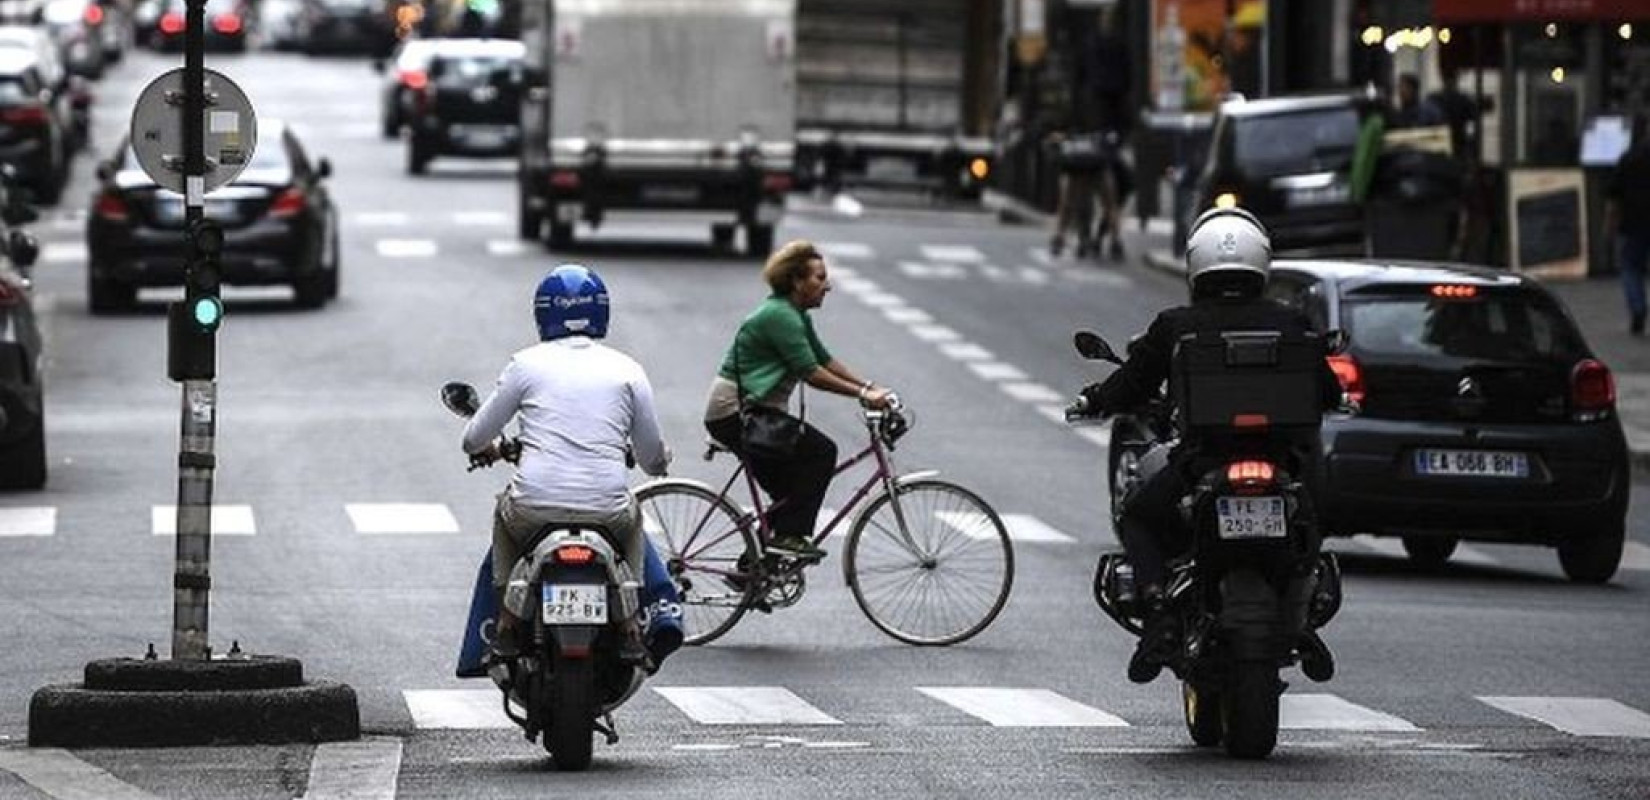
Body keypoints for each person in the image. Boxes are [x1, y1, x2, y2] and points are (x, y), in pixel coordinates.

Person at [1074, 207, 1342, 683]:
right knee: (1311, 511)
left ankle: (1158, 615)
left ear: (1197, 266)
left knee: (1137, 515)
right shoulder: (1292, 323)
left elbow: (1132, 385)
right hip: (1280, 462)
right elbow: (1327, 392)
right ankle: (1303, 614)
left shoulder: (1177, 324)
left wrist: (1093, 400)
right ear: (1261, 263)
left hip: (1203, 462)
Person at [463, 264, 672, 666]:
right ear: (601, 312)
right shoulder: (629, 369)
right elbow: (651, 458)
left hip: (534, 506)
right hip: (607, 509)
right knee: (633, 519)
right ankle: (630, 625)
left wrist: (491, 446)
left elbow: (473, 439)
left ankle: (506, 624)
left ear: (543, 313)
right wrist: (661, 462)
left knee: (503, 516)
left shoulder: (524, 364)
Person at [702, 240, 893, 559]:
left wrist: (869, 386)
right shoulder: (780, 316)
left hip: (752, 410)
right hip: (735, 413)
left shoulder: (795, 314)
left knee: (791, 494)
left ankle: (752, 570)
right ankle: (788, 540)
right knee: (821, 452)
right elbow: (810, 372)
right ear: (796, 281)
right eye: (819, 278)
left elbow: (823, 359)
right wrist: (862, 395)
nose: (827, 286)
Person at [1605, 116, 1650, 335]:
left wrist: (1610, 225)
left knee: (1631, 269)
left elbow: (1615, 196)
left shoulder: (1629, 158)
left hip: (1632, 223)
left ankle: (1638, 307)